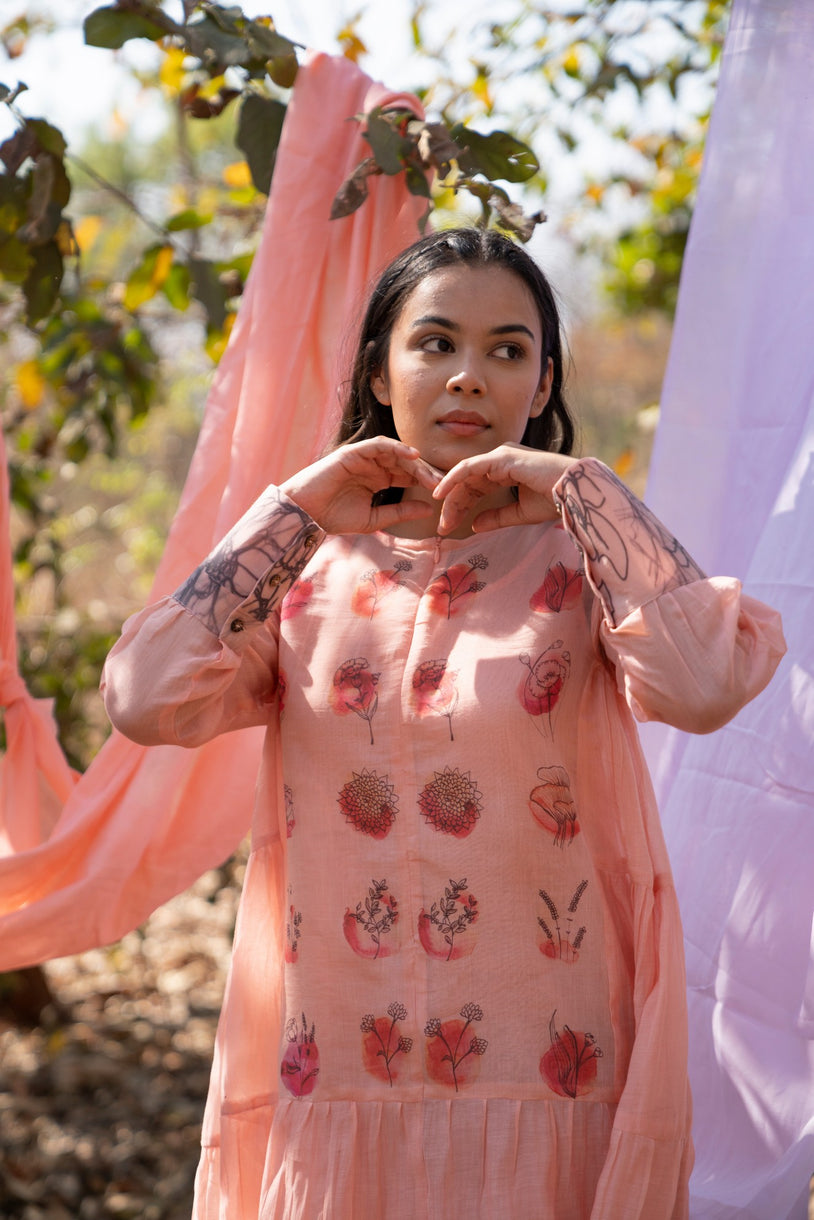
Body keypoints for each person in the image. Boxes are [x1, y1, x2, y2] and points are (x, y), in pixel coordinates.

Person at [101, 228, 785, 1220]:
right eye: (435, 343)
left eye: (507, 350)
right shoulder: (305, 578)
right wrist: (293, 508)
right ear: (380, 367)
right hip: (337, 1076)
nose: (469, 375)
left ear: (541, 381)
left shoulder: (580, 569)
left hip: (546, 1078)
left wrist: (583, 490)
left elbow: (702, 684)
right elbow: (144, 696)